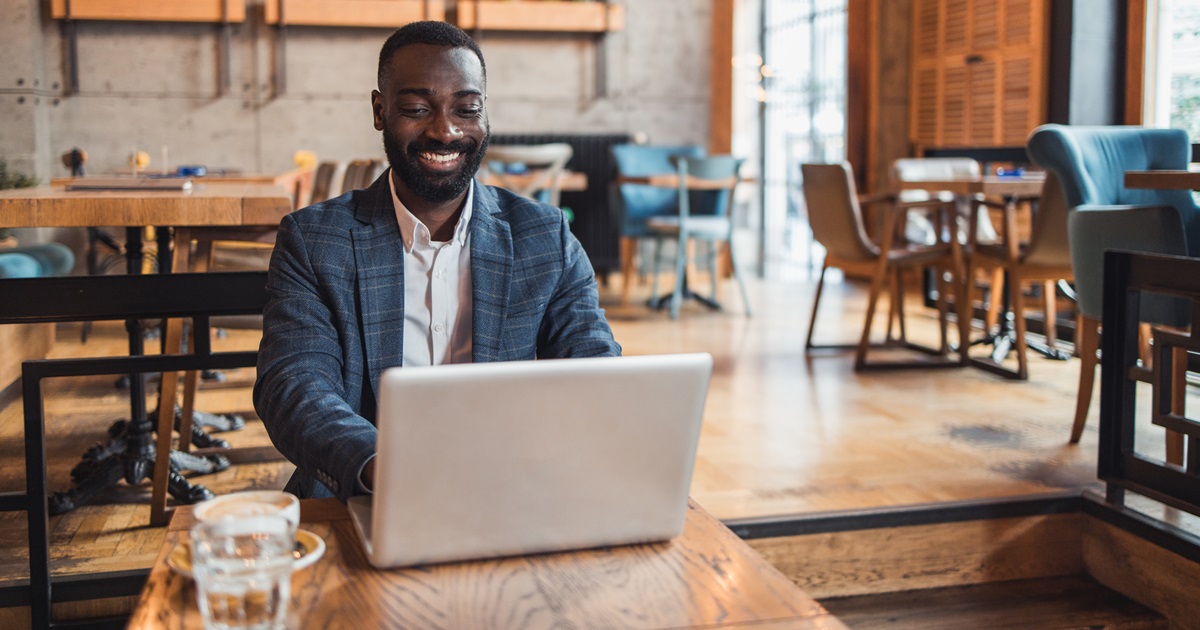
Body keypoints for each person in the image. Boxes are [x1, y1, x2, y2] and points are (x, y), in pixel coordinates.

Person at [253, 21, 621, 502]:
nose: (445, 130)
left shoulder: (544, 238)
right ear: (380, 110)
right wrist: (383, 467)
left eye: (467, 109)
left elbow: (592, 367)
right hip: (366, 494)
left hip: (514, 490)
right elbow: (295, 383)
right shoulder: (315, 241)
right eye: (416, 109)